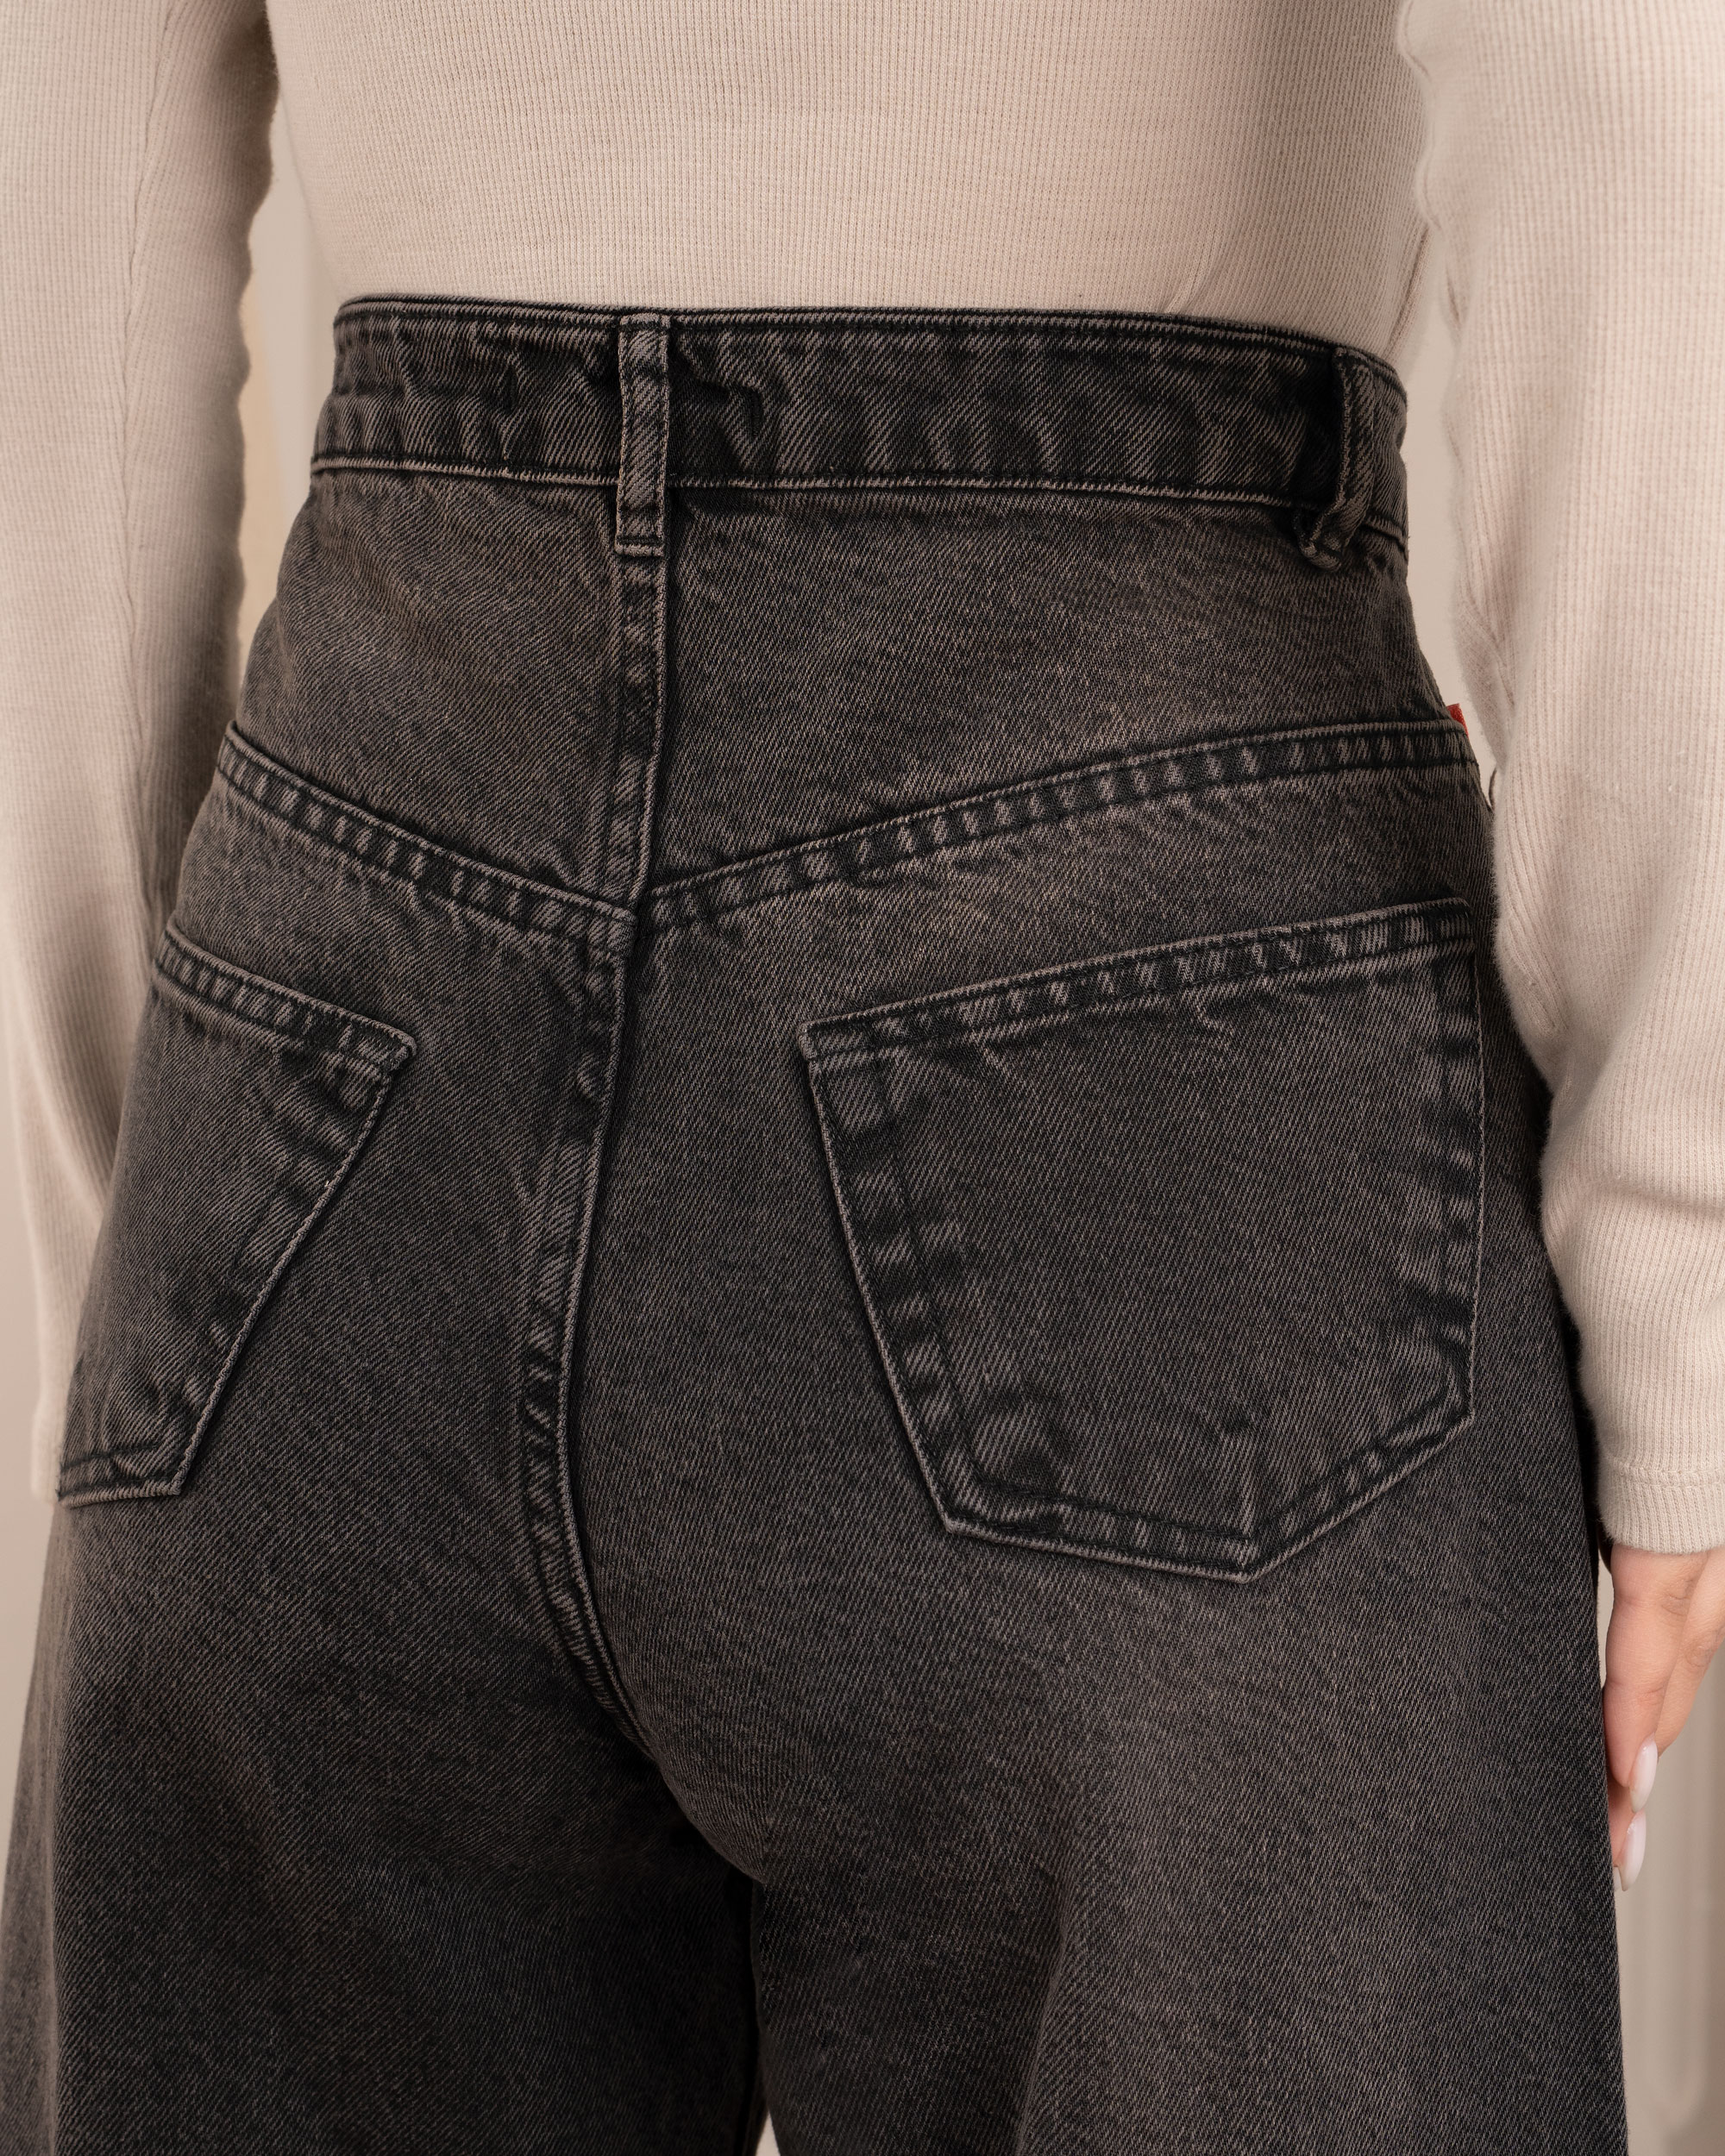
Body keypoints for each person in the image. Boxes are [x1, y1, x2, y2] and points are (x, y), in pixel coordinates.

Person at [1, 3, 1722, 2149]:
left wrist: (152, 1267)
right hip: (1157, 952)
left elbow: (58, 160)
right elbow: (1606, 62)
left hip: (334, 990)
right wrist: (1681, 1248)